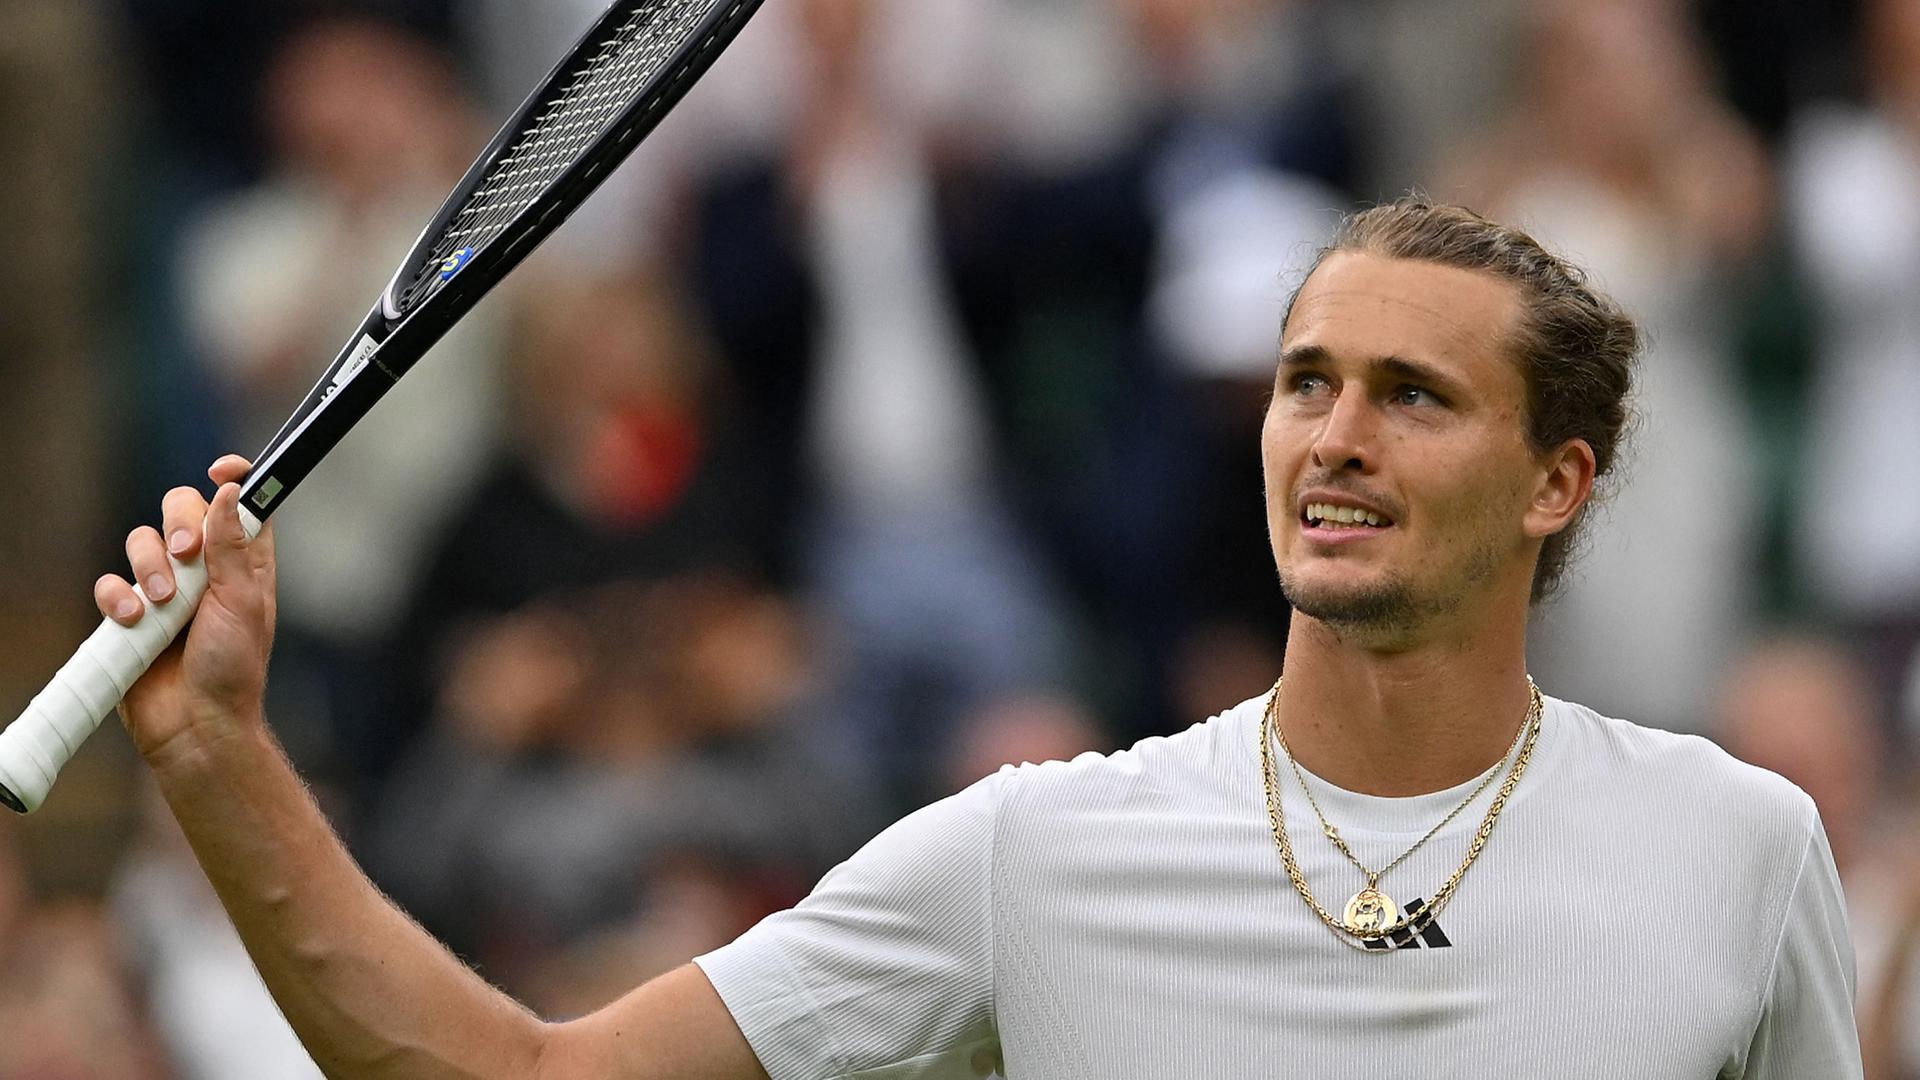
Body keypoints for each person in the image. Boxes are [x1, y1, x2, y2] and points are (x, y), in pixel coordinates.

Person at [91, 198, 1859, 1077]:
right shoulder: (1034, 852)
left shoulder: (1744, 849)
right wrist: (214, 753)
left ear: (1558, 481)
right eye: (1306, 382)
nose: (1333, 436)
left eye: (1413, 395)